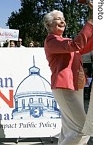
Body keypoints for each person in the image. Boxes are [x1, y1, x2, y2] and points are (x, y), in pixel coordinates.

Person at [43, 8, 93, 145]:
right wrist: (90, 22)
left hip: (75, 86)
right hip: (64, 87)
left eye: (63, 18)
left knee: (69, 130)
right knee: (82, 129)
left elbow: (85, 46)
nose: (63, 21)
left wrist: (94, 21)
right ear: (49, 25)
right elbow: (77, 44)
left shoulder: (64, 41)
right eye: (58, 18)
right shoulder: (51, 40)